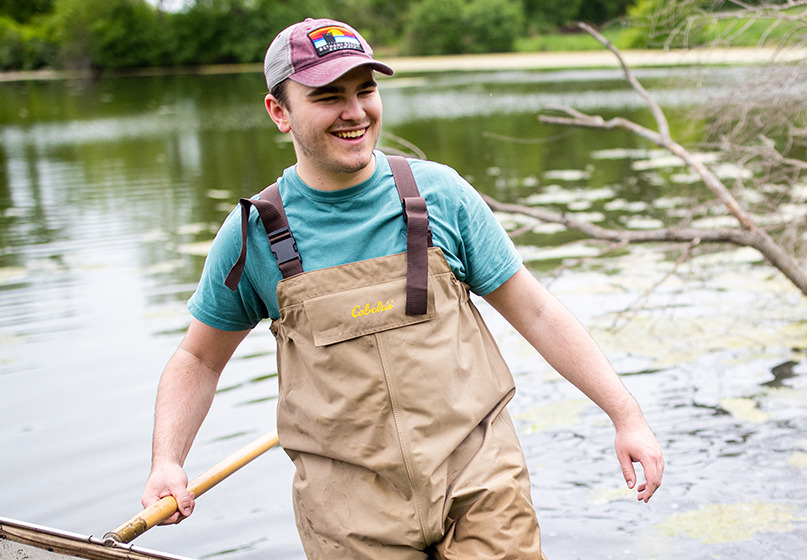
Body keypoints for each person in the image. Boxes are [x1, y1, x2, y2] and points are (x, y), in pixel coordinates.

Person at [141, 17, 664, 560]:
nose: (355, 112)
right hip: (349, 513)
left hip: (480, 483)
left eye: (365, 90)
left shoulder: (441, 193)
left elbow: (535, 311)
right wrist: (168, 461)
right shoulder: (252, 234)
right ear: (279, 112)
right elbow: (198, 360)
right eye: (327, 96)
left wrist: (626, 417)